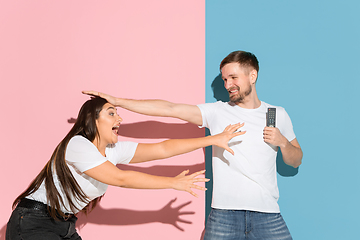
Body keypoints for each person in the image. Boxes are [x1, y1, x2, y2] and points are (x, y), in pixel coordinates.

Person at [83, 50, 303, 240]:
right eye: (225, 79)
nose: (228, 85)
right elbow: (169, 109)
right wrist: (119, 102)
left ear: (252, 75)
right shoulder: (217, 112)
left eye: (233, 78)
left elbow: (295, 161)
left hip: (267, 212)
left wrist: (283, 142)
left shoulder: (277, 114)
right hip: (224, 214)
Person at [6, 96, 246, 240]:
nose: (119, 120)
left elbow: (162, 149)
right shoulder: (77, 145)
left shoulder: (112, 152)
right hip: (34, 221)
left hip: (64, 224)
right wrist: (172, 182)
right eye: (112, 114)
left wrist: (212, 139)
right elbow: (120, 179)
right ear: (93, 120)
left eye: (118, 114)